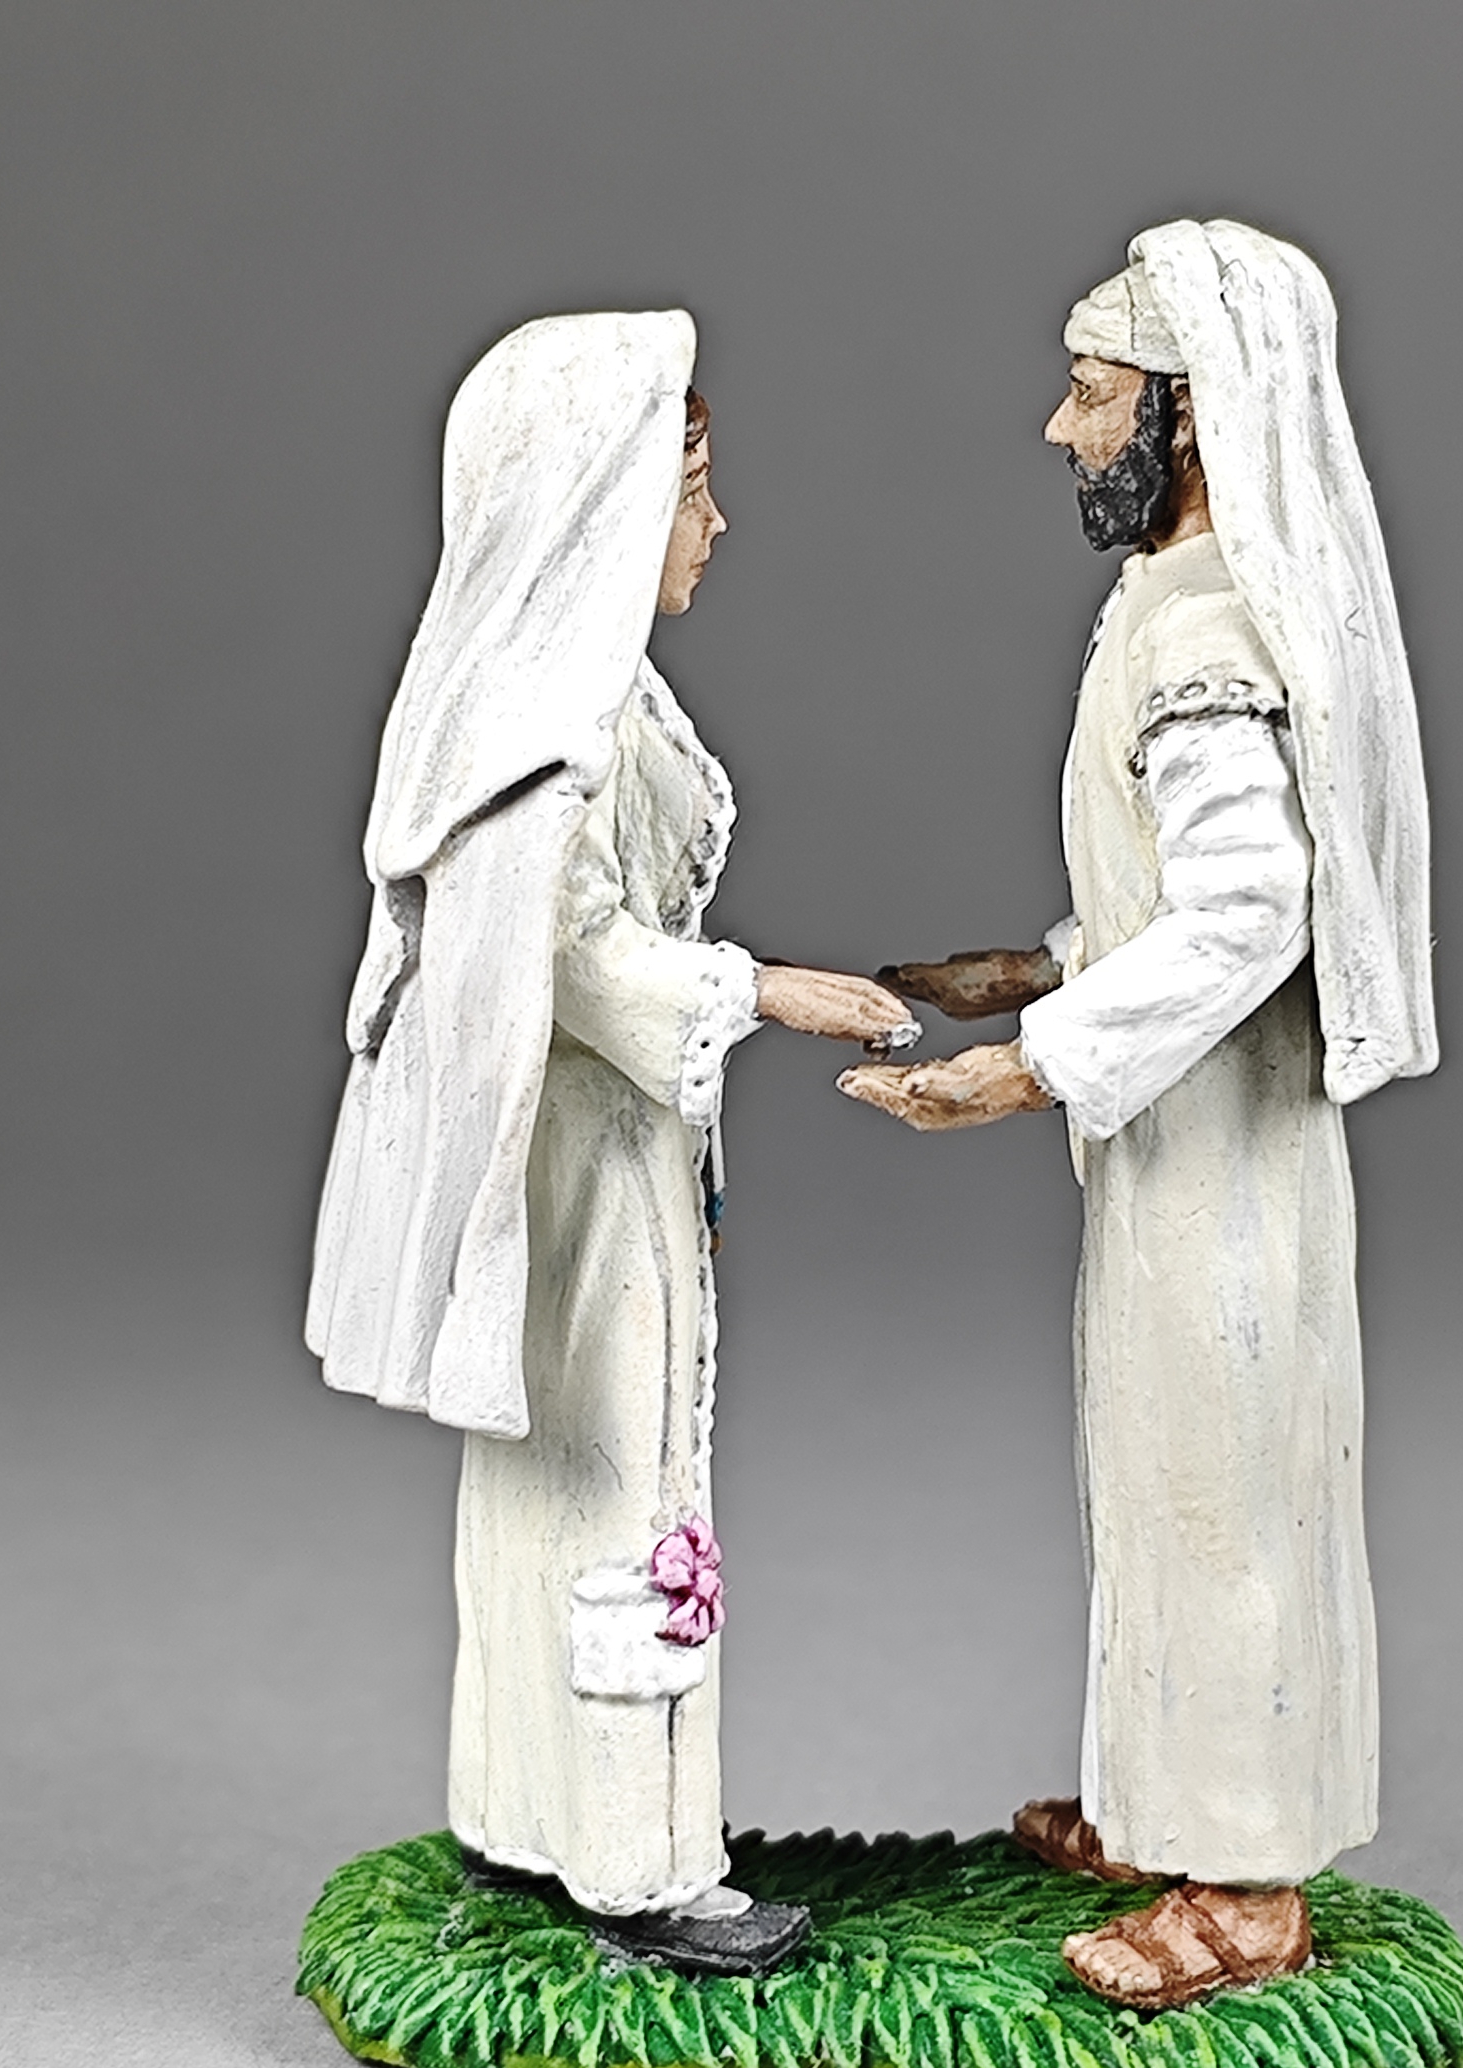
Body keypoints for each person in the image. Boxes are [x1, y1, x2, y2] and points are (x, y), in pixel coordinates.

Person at [842, 222, 1436, 2010]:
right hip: (1176, 1158)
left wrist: (1036, 1059)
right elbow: (1175, 895)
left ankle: (1244, 1891)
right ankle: (1171, 1806)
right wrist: (1038, 967)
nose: (1062, 428)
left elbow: (1249, 914)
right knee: (1166, 1478)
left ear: (1186, 415)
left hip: (1220, 1162)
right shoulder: (1176, 597)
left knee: (1222, 1498)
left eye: (1093, 394)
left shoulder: (1208, 627)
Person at [309, 311, 913, 1975]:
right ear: (604, 508)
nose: (716, 525)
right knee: (618, 1480)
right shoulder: (545, 737)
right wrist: (760, 988)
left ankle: (539, 1810)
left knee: (574, 1473)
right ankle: (636, 1861)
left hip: (619, 1148)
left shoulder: (591, 692)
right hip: (579, 1173)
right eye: (691, 492)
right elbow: (564, 952)